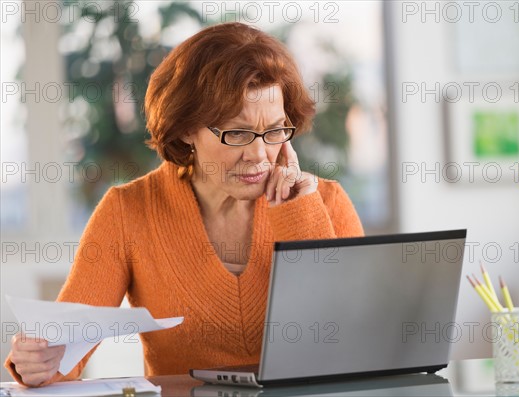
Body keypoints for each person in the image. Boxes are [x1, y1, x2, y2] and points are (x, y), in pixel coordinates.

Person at [5, 22, 364, 387]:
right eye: (236, 132)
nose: (259, 155)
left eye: (273, 130)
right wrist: (39, 362)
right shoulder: (128, 212)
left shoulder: (325, 202)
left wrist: (298, 217)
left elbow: (355, 347)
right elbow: (64, 356)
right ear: (185, 129)